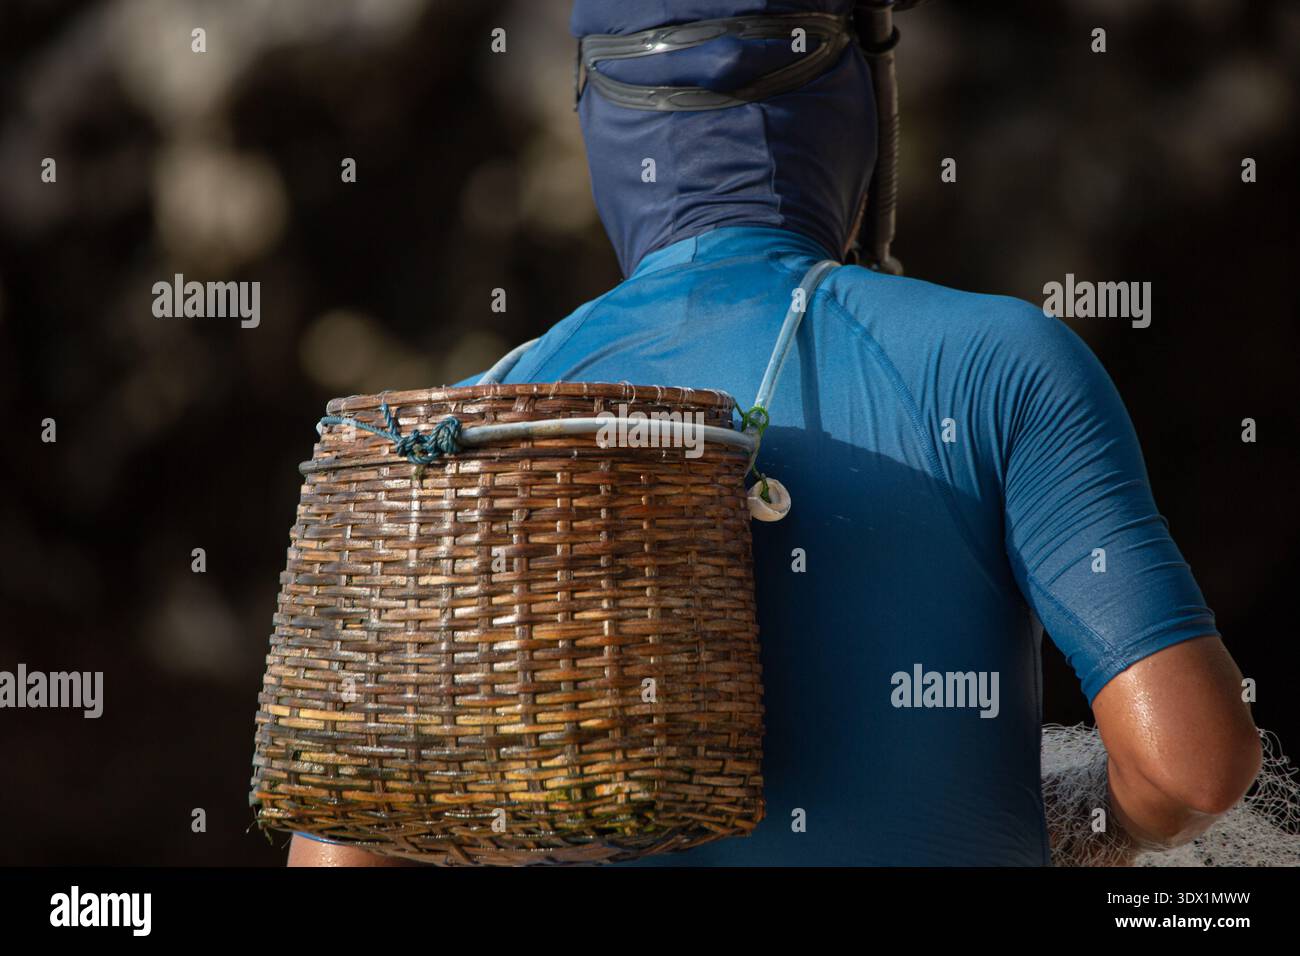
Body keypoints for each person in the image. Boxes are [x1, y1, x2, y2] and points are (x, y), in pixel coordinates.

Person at [289, 0, 1260, 866]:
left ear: (599, 115)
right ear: (853, 104)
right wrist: (1080, 820)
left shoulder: (469, 425)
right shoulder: (999, 361)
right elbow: (1190, 767)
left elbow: (342, 852)